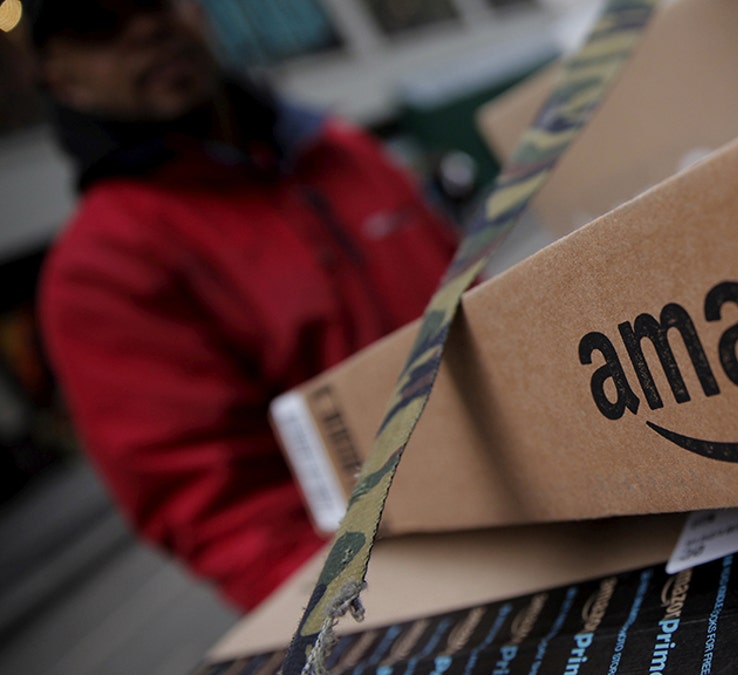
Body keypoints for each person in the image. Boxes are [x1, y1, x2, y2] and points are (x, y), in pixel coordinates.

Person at [30, 0, 459, 611]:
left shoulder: (340, 151)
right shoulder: (104, 267)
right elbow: (225, 515)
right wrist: (378, 621)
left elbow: (477, 303)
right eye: (100, 24)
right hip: (414, 588)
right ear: (61, 77)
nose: (147, 26)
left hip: (551, 502)